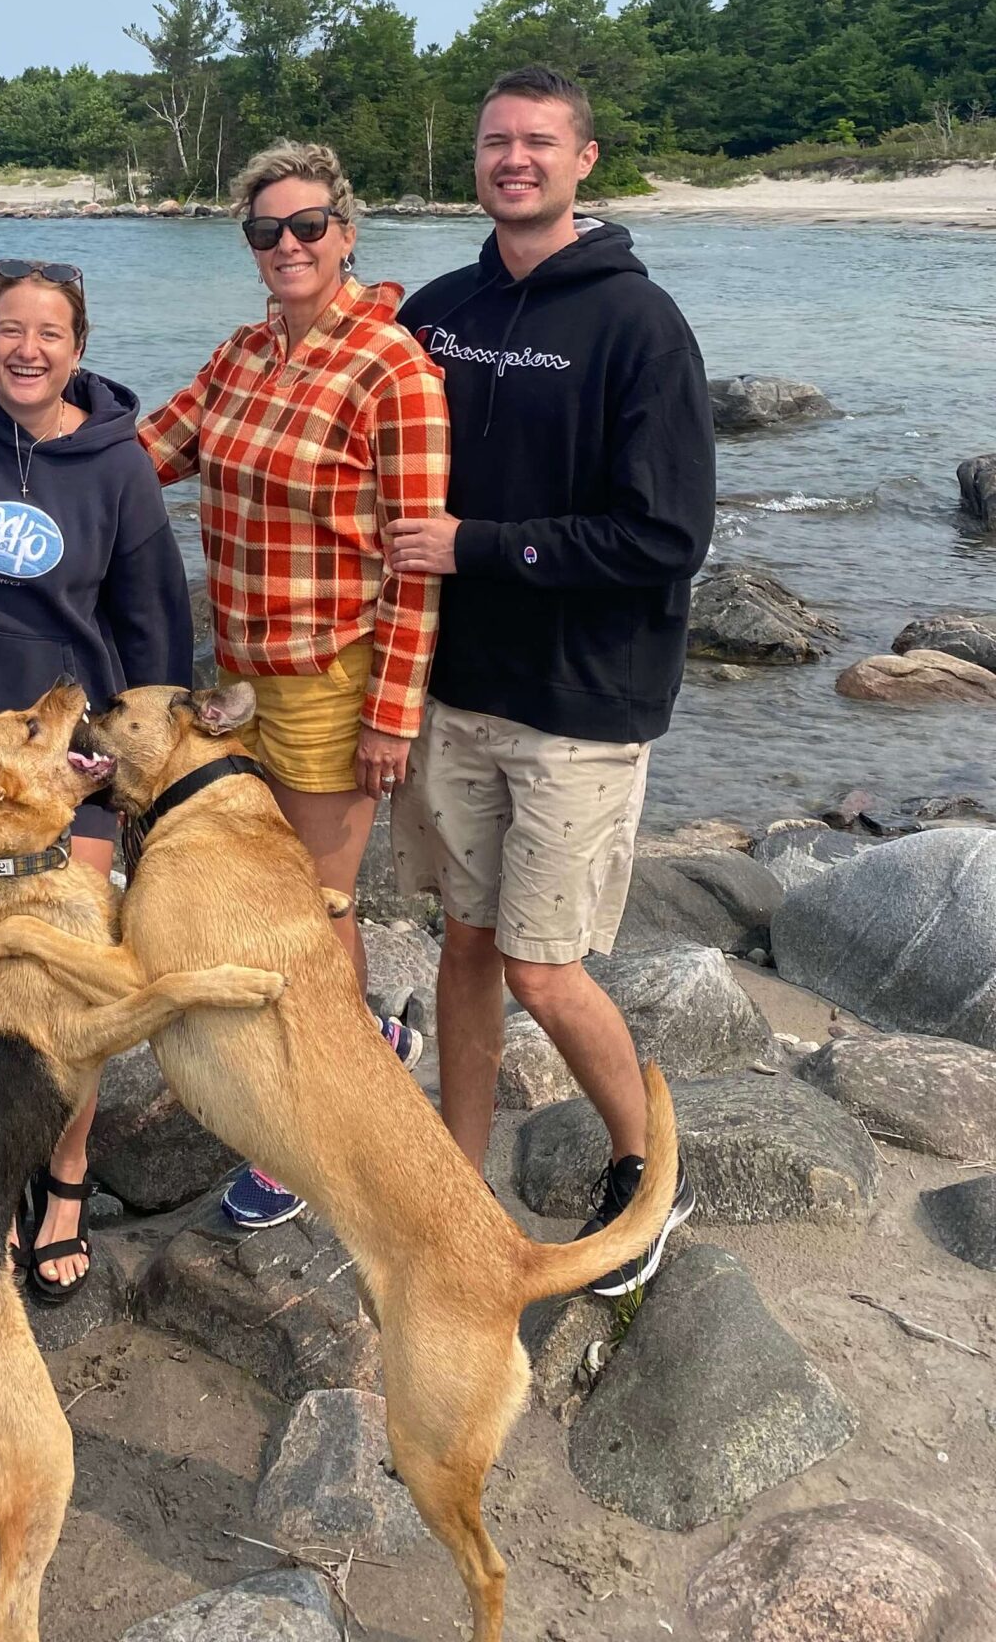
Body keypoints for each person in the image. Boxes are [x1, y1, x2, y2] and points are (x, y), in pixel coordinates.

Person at [387, 63, 714, 1295]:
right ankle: (456, 1178)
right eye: (492, 143)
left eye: (537, 142)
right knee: (464, 944)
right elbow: (329, 382)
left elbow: (667, 536)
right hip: (456, 690)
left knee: (542, 963)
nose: (512, 159)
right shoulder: (438, 309)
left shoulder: (640, 324)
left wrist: (477, 545)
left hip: (582, 703)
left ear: (586, 160)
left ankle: (646, 1177)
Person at [141, 141, 450, 1230]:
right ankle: (367, 1039)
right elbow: (148, 454)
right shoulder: (242, 354)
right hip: (240, 677)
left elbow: (416, 559)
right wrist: (7, 465)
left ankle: (320, 1127)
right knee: (281, 898)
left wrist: (391, 714)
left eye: (308, 226)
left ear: (347, 232)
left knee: (313, 913)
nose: (288, 246)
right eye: (266, 231)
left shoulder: (394, 369)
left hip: (329, 678)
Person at [0, 256, 194, 1299]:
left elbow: (157, 624)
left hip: (71, 766)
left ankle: (65, 1177)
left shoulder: (117, 467)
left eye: (50, 332)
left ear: (79, 346)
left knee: (72, 971)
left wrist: (152, 774)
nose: (27, 349)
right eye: (8, 328)